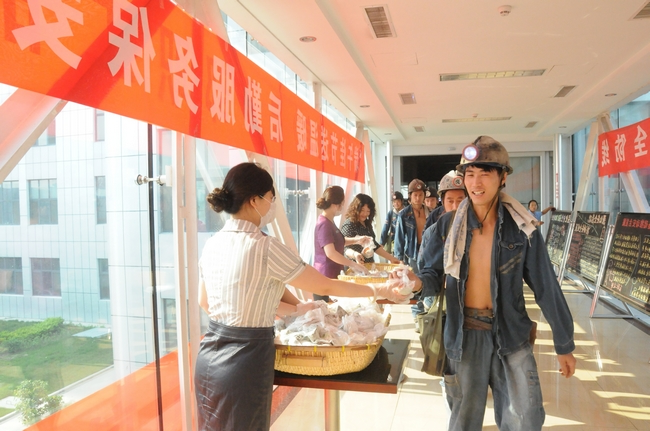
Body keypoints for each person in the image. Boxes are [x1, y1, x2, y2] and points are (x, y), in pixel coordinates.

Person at [194, 163, 410, 431]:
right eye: (271, 197)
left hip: (208, 357)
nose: (273, 205)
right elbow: (326, 286)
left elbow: (206, 301)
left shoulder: (213, 243)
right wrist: (378, 291)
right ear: (254, 200)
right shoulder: (265, 247)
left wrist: (292, 309)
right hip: (244, 362)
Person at [404, 136, 576, 431]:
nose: (476, 182)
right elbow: (431, 276)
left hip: (511, 333)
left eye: (485, 173)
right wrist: (417, 282)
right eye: (470, 174)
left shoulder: (521, 228)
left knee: (525, 419)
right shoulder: (447, 226)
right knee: (464, 419)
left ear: (503, 177)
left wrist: (564, 343)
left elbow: (546, 285)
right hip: (464, 335)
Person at [413, 170, 467, 323]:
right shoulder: (433, 232)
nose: (456, 206)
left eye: (461, 200)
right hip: (443, 300)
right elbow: (425, 267)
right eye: (450, 201)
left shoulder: (479, 229)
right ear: (443, 202)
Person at [313, 185, 370, 302]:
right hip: (325, 278)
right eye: (342, 204)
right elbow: (330, 253)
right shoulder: (324, 224)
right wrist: (353, 265)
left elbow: (338, 241)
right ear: (336, 205)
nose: (343, 207)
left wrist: (357, 240)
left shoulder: (329, 221)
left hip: (332, 277)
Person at [341, 193, 401, 265]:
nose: (365, 214)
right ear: (355, 209)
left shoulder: (367, 223)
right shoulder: (349, 224)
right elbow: (344, 247)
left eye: (368, 211)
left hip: (369, 266)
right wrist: (355, 254)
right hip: (354, 267)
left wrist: (391, 258)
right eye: (362, 210)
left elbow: (375, 246)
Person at [393, 178, 430, 271]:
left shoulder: (431, 213)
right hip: (412, 253)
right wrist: (399, 259)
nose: (418, 198)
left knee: (429, 277)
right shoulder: (403, 215)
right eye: (415, 195)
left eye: (420, 195)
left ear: (424, 195)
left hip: (429, 251)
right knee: (414, 277)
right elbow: (399, 238)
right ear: (410, 196)